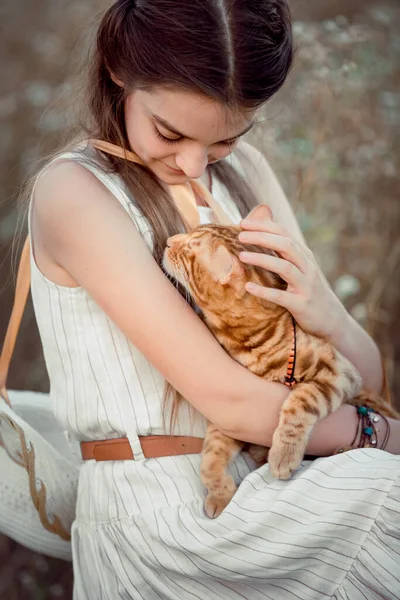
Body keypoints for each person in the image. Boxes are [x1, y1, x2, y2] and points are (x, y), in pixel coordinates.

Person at [26, 0, 400, 598]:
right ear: (118, 68)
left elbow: (355, 374)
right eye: (170, 132)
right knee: (386, 495)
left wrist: (326, 308)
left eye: (224, 138)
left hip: (270, 475)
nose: (194, 164)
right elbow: (231, 400)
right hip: (165, 515)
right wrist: (372, 433)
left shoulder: (243, 172)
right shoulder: (75, 192)